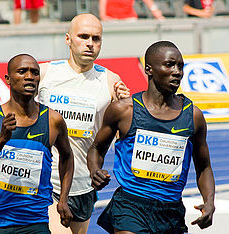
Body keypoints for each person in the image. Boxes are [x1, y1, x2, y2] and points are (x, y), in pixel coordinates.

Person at [87, 41, 215, 233]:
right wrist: (95, 169)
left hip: (171, 211)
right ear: (149, 69)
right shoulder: (124, 110)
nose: (177, 71)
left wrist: (209, 201)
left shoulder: (193, 116)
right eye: (169, 65)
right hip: (130, 206)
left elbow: (203, 166)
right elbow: (97, 148)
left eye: (180, 66)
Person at [37, 13, 130, 234]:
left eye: (96, 38)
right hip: (47, 182)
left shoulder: (111, 81)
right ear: (68, 39)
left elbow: (122, 138)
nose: (90, 43)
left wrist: (124, 106)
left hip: (84, 185)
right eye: (83, 36)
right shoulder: (45, 73)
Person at [0, 54, 74, 233]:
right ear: (8, 79)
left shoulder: (53, 120)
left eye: (35, 72)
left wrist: (63, 198)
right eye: (22, 71)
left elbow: (67, 156)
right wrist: (0, 141)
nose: (30, 77)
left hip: (36, 221)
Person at [99, 0, 165, 21]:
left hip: (129, 18)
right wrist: (103, 15)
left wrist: (155, 11)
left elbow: (148, 1)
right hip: (111, 19)